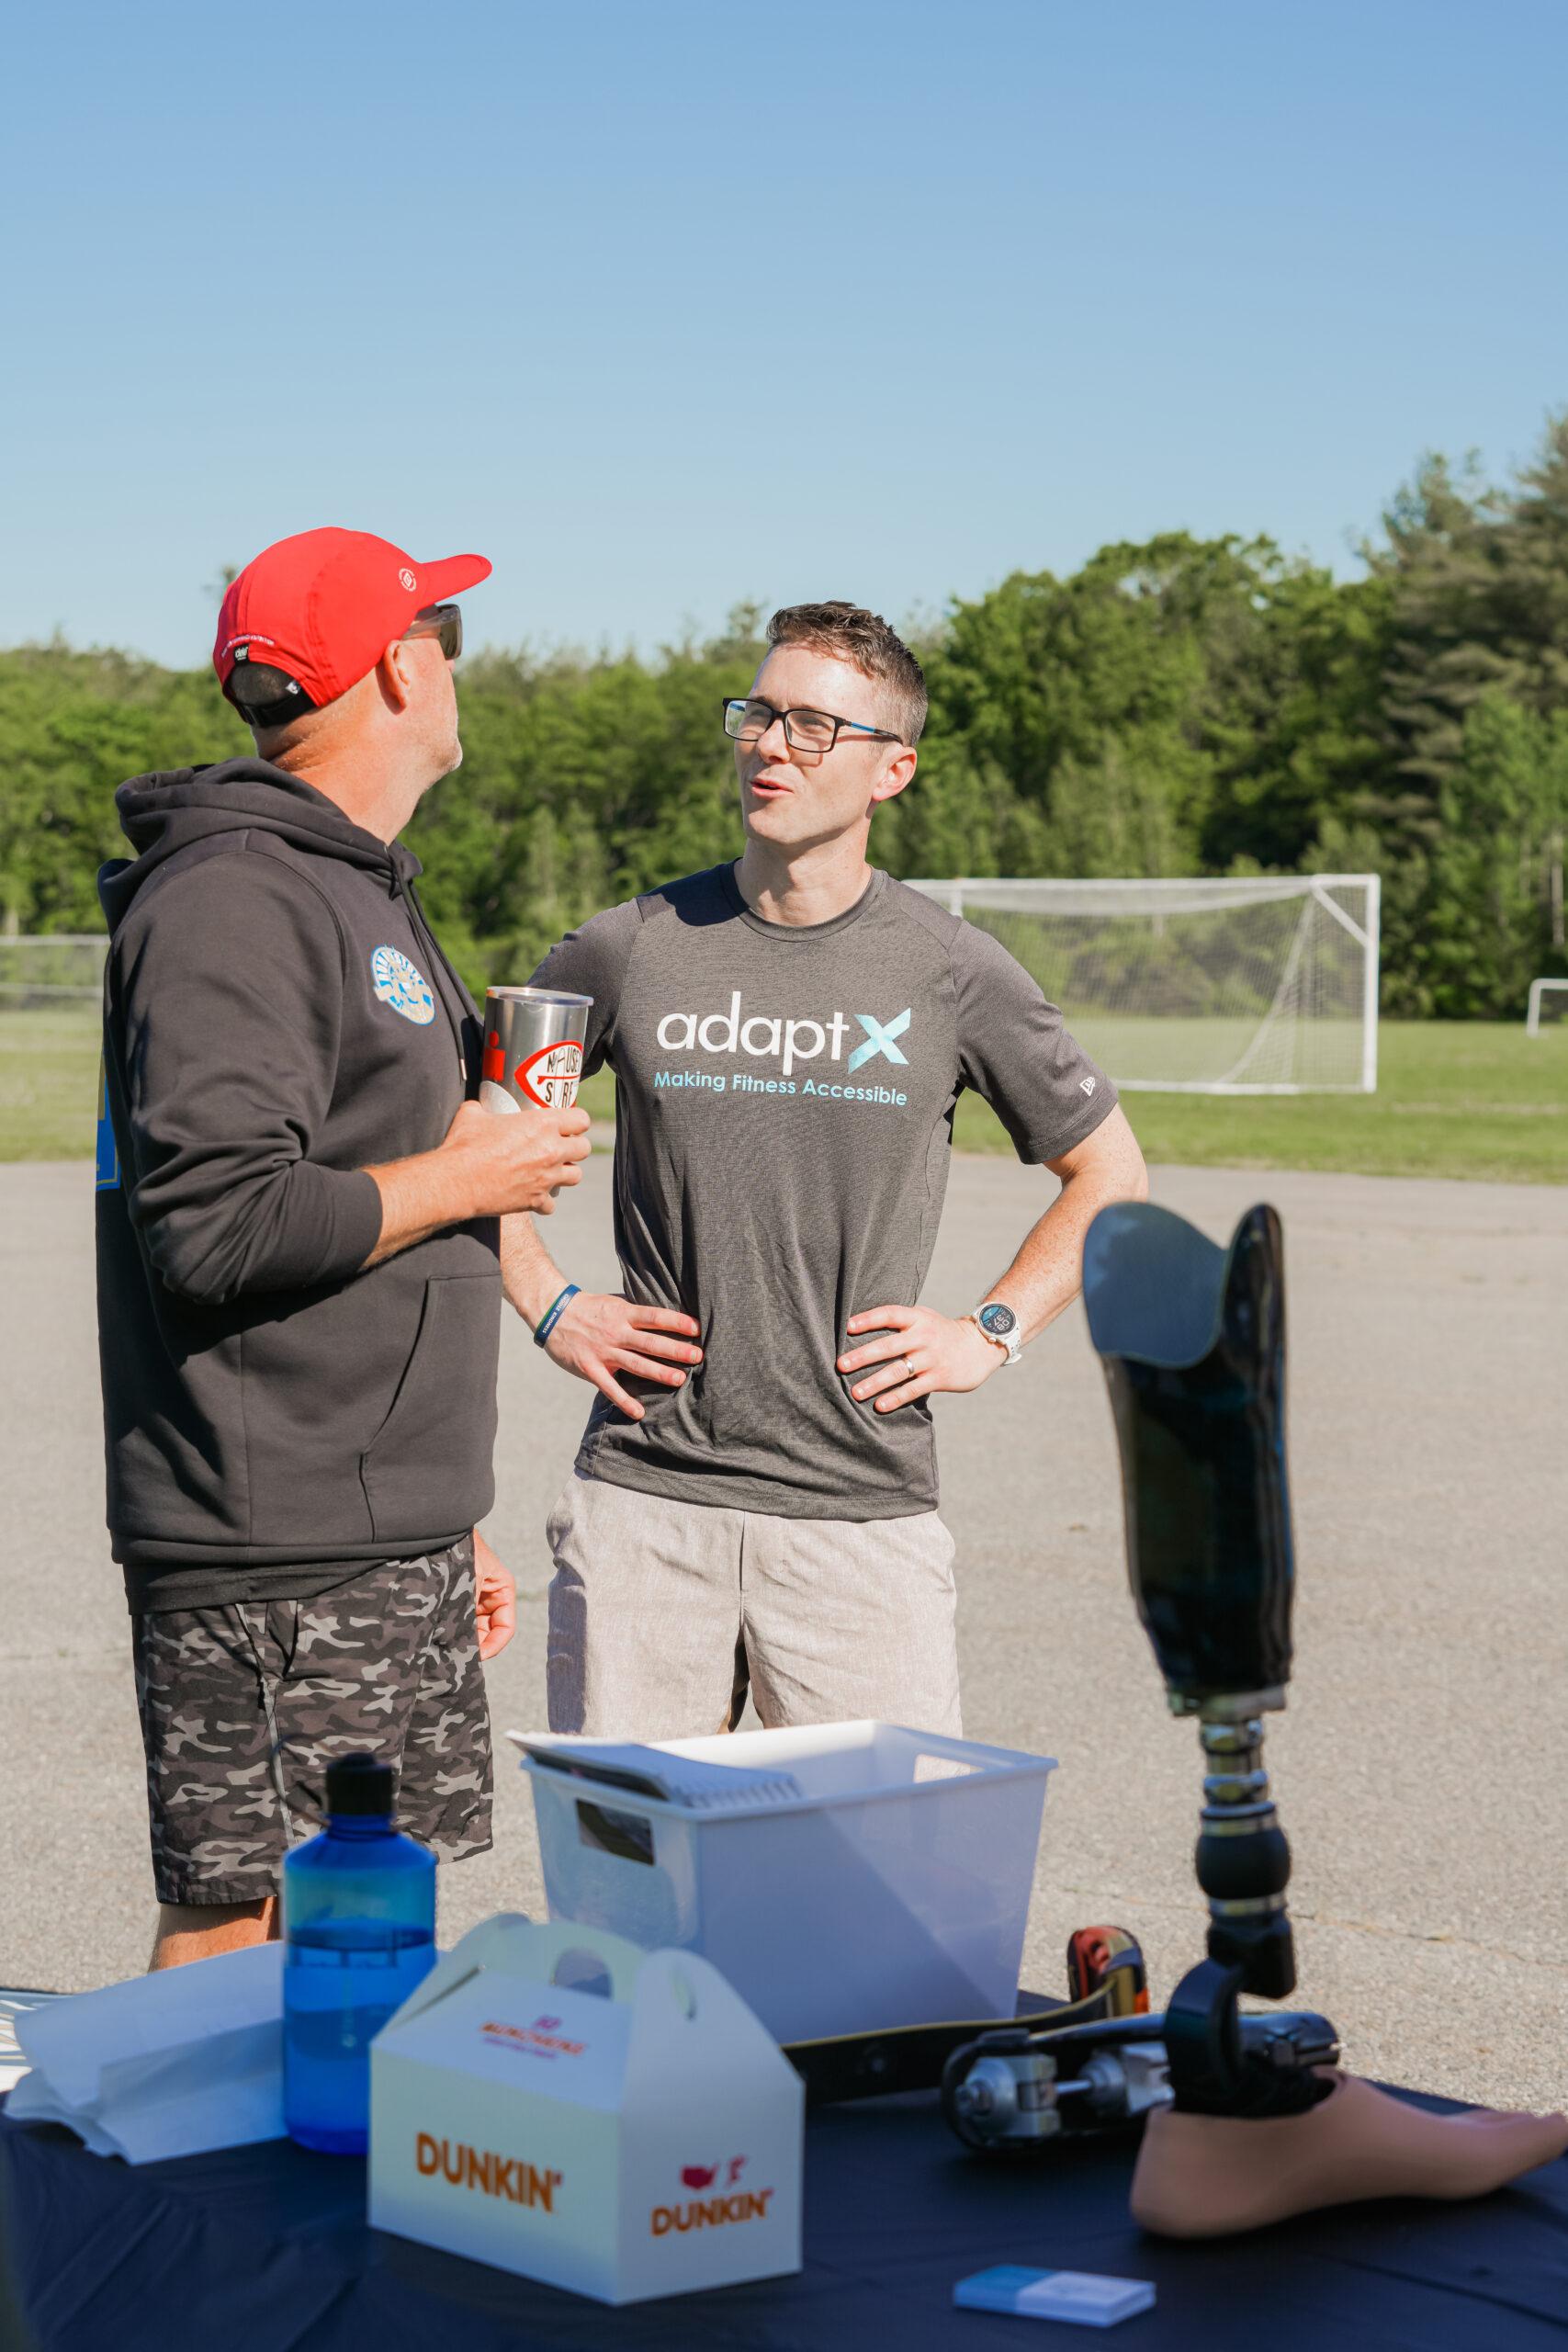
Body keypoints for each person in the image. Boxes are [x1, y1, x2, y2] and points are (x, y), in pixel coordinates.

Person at [507, 602, 1148, 1739]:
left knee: (878, 1897)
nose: (768, 745)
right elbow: (479, 1143)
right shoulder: (625, 946)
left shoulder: (952, 969)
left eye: (813, 726)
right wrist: (550, 1303)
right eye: (759, 713)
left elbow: (1109, 1174)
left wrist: (986, 1333)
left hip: (862, 1519)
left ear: (891, 769)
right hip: (647, 1503)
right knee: (629, 1896)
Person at [96, 526, 590, 1970]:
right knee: (246, 1929)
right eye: (446, 634)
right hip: (270, 1545)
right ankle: (173, 2205)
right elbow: (213, 1222)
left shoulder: (352, 881)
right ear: (396, 663)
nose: (452, 666)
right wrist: (469, 1167)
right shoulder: (233, 894)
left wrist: (436, 1506)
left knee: (359, 1929)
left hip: (369, 1523)